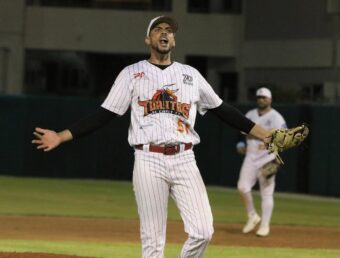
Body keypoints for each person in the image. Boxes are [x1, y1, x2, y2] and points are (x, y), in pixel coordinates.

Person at [32, 16, 274, 258]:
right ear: (149, 39)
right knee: (153, 241)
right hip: (148, 159)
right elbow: (105, 114)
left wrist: (265, 135)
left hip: (185, 158)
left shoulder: (190, 75)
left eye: (169, 30)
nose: (164, 33)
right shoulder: (132, 73)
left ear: (174, 40)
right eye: (158, 29)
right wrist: (62, 136)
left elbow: (224, 111)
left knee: (203, 231)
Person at [236, 87, 287, 237]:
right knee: (242, 187)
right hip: (250, 157)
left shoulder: (276, 117)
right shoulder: (250, 114)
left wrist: (277, 160)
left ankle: (264, 226)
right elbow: (240, 133)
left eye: (264, 97)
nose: (261, 100)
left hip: (268, 158)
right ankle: (252, 215)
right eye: (259, 97)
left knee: (266, 193)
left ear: (270, 99)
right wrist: (240, 144)